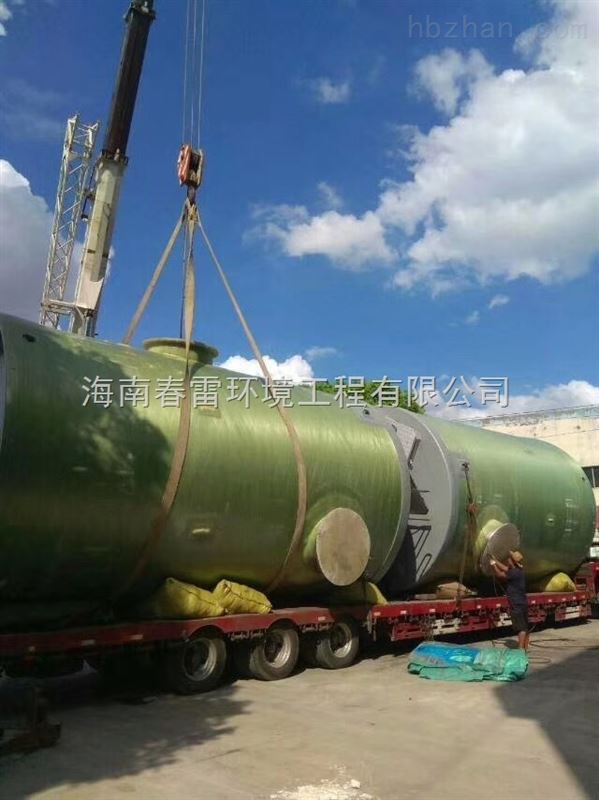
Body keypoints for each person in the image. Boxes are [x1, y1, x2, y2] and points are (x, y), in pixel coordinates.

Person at [490, 550, 530, 650]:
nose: (507, 560)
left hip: (516, 603)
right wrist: (495, 560)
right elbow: (505, 568)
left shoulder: (513, 573)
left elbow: (500, 574)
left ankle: (520, 651)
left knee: (521, 628)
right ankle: (525, 648)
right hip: (522, 602)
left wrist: (493, 565)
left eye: (509, 559)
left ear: (512, 562)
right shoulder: (519, 570)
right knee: (525, 626)